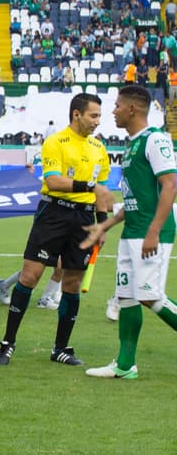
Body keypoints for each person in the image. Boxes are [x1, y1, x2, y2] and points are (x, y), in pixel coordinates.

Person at [0, 92, 112, 367]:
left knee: (71, 283)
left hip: (84, 218)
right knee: (30, 276)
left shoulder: (99, 148)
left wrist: (102, 223)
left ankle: (61, 348)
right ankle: (7, 343)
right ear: (76, 114)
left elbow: (102, 192)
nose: (97, 121)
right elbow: (54, 181)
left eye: (99, 116)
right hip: (53, 213)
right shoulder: (56, 141)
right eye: (93, 115)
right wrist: (89, 187)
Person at [82, 84, 177, 379]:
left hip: (151, 234)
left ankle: (125, 365)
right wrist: (105, 225)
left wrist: (154, 231)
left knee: (151, 296)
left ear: (133, 108)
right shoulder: (131, 144)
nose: (114, 111)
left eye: (117, 106)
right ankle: (125, 365)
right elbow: (134, 199)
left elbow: (170, 185)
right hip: (132, 233)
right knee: (127, 298)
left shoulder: (155, 140)